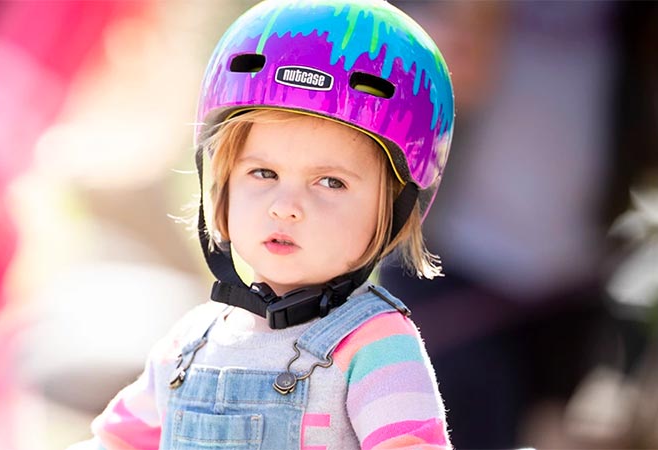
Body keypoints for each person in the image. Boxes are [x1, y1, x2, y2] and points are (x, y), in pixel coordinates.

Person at [69, 0, 454, 448]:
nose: (286, 206)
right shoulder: (192, 341)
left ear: (394, 211)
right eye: (263, 174)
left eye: (330, 182)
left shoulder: (374, 344)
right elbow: (120, 441)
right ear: (221, 185)